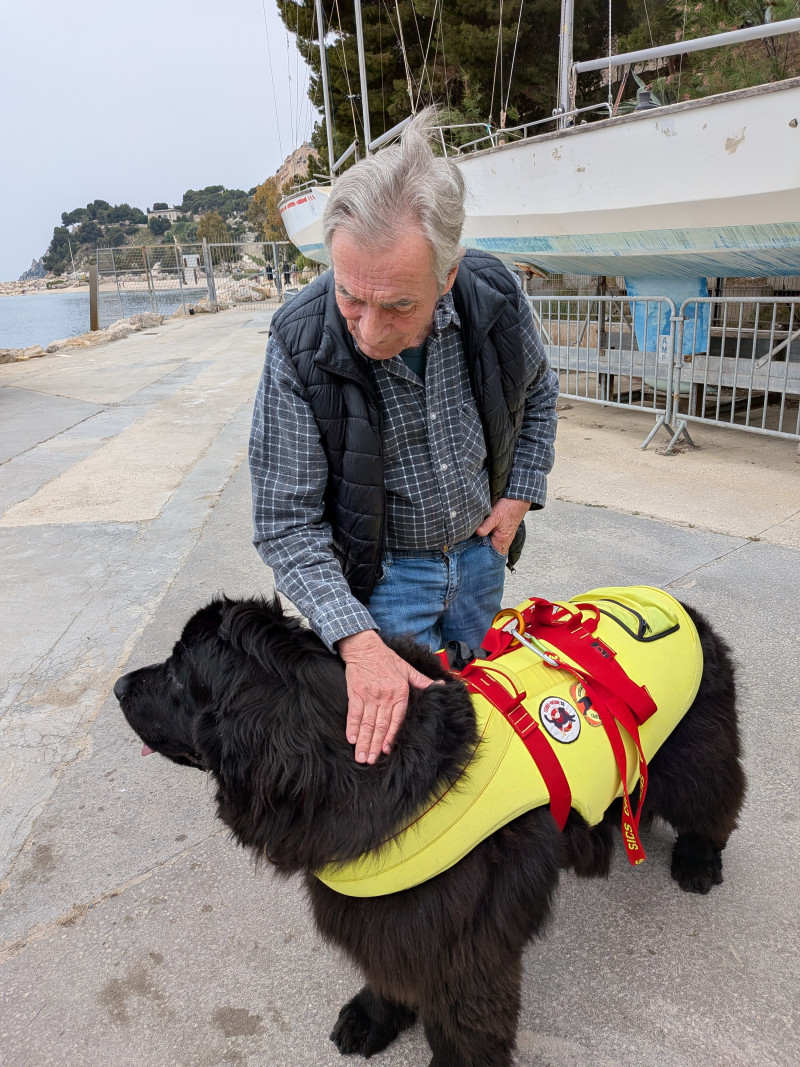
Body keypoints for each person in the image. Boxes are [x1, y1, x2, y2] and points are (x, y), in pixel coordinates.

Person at [250, 108, 558, 766]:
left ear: (446, 277)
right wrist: (355, 639)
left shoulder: (492, 292)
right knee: (400, 755)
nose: (367, 330)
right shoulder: (297, 342)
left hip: (481, 557)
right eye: (351, 297)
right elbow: (286, 523)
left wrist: (520, 494)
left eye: (397, 306)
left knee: (482, 713)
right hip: (383, 578)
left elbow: (539, 393)